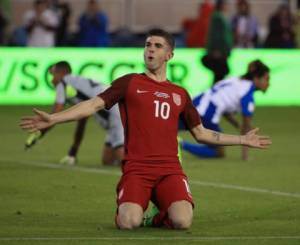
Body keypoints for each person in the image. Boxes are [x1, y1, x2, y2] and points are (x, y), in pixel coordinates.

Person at [20, 29, 271, 230]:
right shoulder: (129, 83)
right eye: (148, 45)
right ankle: (134, 209)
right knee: (129, 222)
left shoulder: (180, 94)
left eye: (157, 46)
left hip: (170, 170)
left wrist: (242, 139)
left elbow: (202, 133)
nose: (150, 49)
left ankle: (156, 215)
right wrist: (54, 118)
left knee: (183, 221)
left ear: (169, 55)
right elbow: (92, 105)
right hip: (137, 170)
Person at [25, 61, 124, 166]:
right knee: (107, 161)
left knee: (123, 157)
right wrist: (73, 152)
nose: (51, 80)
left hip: (114, 112)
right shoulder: (77, 85)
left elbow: (54, 115)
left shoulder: (63, 83)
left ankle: (138, 170)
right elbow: (82, 122)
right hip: (115, 108)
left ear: (60, 73)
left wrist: (39, 133)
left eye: (53, 75)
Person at [181, 60, 270, 161]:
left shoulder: (237, 80)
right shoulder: (247, 93)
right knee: (218, 151)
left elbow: (225, 108)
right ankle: (180, 144)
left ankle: (175, 143)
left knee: (169, 128)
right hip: (207, 112)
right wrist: (245, 156)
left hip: (195, 103)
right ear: (256, 78)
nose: (268, 83)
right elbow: (246, 128)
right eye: (266, 79)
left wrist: (236, 124)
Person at [202, 0, 233, 84]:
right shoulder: (218, 17)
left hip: (220, 50)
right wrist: (217, 50)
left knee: (219, 74)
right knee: (220, 73)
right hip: (219, 51)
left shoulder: (219, 16)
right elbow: (217, 35)